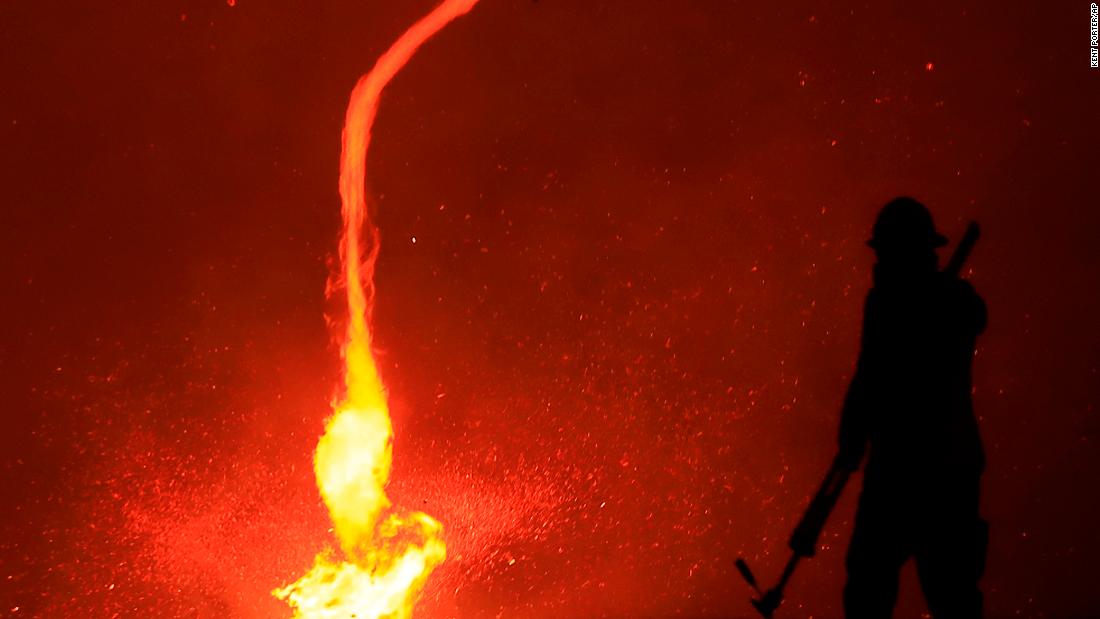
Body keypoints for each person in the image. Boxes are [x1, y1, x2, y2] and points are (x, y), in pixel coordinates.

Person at [837, 197, 988, 619]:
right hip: (899, 469)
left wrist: (935, 307)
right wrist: (851, 439)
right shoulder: (885, 303)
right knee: (869, 584)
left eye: (888, 251)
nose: (882, 260)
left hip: (939, 473)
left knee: (950, 593)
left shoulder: (951, 300)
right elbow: (869, 375)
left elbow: (976, 316)